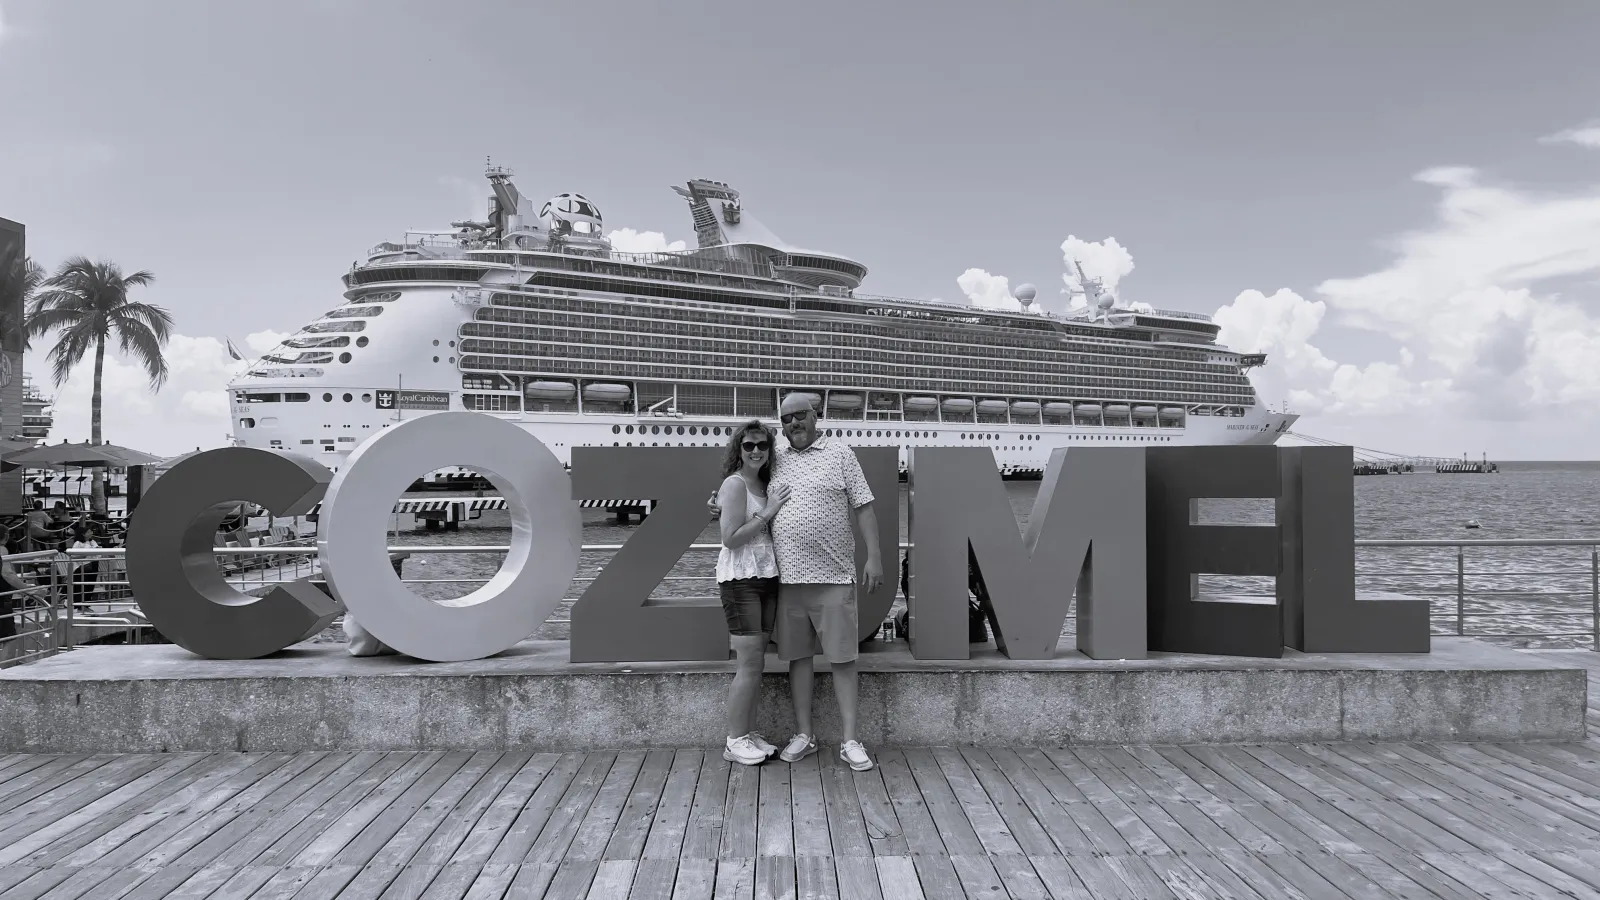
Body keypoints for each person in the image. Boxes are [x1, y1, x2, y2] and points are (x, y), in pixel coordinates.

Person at [714, 394, 883, 771]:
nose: (794, 424)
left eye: (800, 416)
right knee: (799, 659)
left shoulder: (841, 453)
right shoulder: (777, 460)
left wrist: (875, 556)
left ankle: (851, 740)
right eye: (786, 419)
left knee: (843, 658)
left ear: (816, 415)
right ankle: (804, 735)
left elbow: (864, 507)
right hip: (786, 580)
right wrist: (719, 503)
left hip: (835, 576)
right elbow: (745, 489)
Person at [714, 420, 791, 766]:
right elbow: (730, 540)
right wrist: (768, 512)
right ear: (738, 449)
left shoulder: (763, 484)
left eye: (762, 445)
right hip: (741, 579)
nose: (756, 450)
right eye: (749, 446)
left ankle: (747, 732)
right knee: (747, 663)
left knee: (757, 662)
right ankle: (733, 740)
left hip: (766, 575)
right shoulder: (734, 484)